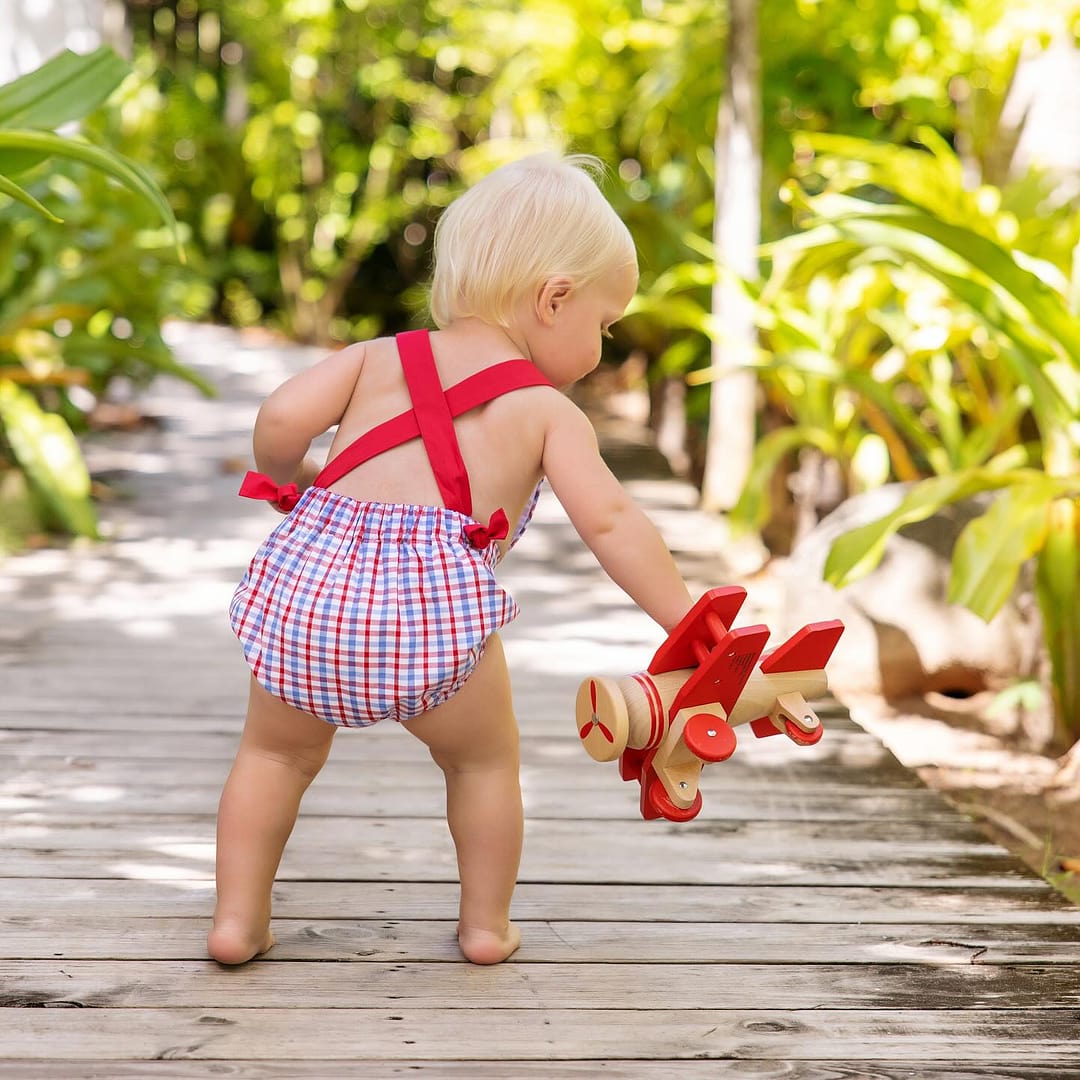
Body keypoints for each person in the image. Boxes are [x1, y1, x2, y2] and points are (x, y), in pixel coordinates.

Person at [208, 152, 694, 968]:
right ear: (554, 298)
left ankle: (236, 921)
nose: (603, 347)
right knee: (482, 762)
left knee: (273, 754)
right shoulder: (545, 411)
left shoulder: (377, 358)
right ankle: (484, 927)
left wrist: (292, 478)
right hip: (431, 617)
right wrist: (689, 622)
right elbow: (611, 523)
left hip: (312, 596)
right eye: (604, 326)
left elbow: (283, 416)